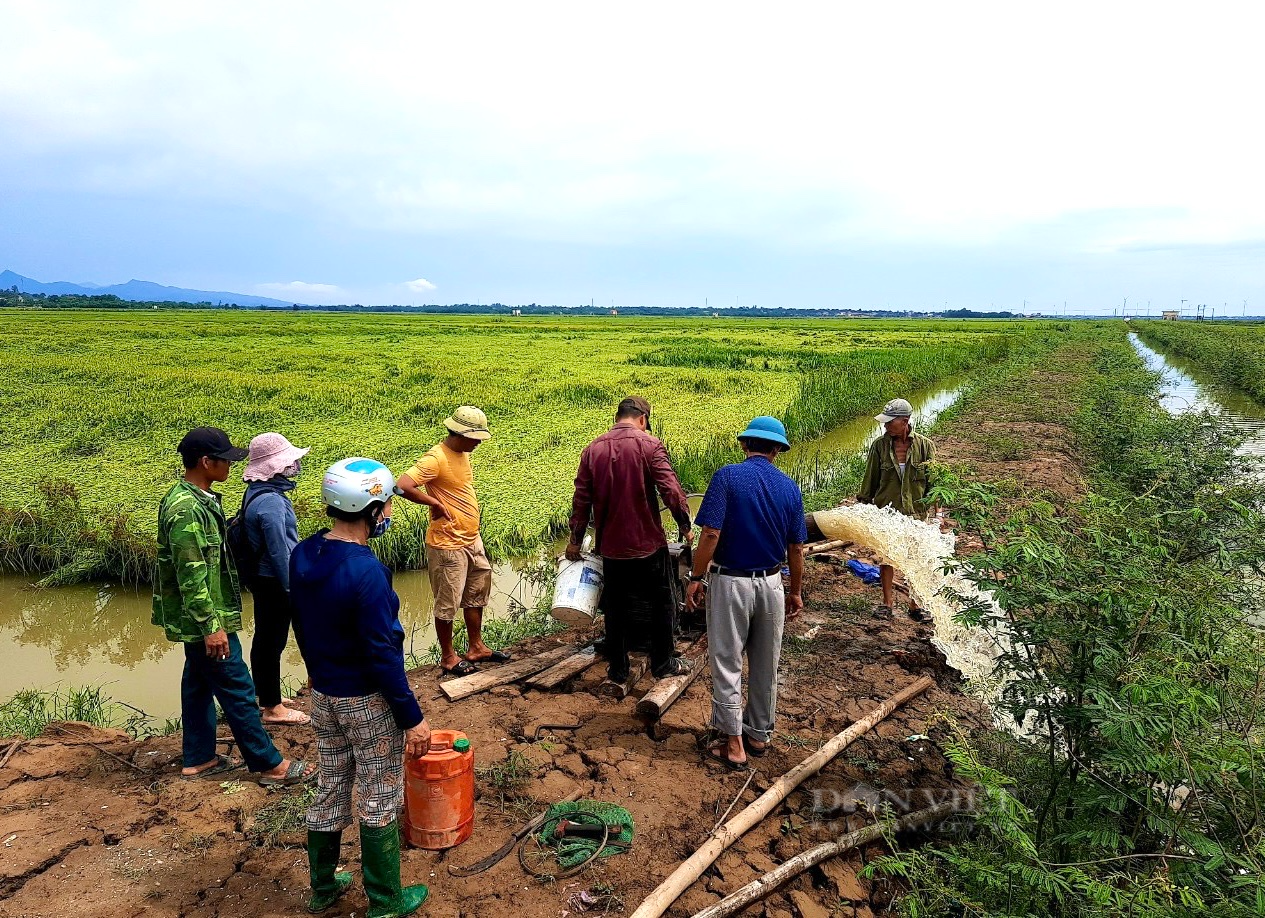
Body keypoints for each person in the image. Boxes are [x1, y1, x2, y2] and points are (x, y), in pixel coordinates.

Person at [290, 457, 433, 917]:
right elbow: (382, 655)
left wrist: (315, 669)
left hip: (324, 695)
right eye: (386, 502)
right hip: (365, 702)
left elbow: (304, 622)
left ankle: (324, 887)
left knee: (331, 781)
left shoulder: (304, 553)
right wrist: (413, 718)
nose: (390, 510)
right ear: (372, 507)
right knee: (379, 792)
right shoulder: (366, 571)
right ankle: (386, 903)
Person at [152, 427, 313, 785]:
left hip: (208, 614)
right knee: (239, 687)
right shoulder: (186, 510)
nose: (230, 465)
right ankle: (270, 764)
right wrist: (211, 626)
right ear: (206, 462)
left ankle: (199, 758)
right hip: (206, 618)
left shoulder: (199, 498)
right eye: (224, 459)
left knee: (197, 684)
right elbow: (190, 573)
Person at [686, 416, 805, 769]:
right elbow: (796, 549)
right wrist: (795, 591)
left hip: (731, 582)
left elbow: (710, 534)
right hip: (771, 584)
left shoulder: (727, 477)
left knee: (727, 659)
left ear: (744, 445)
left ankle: (733, 741)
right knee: (767, 662)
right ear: (777, 451)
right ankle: (758, 734)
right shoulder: (789, 488)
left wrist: (695, 576)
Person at [567, 396, 693, 682]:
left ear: (618, 416)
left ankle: (619, 668)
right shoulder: (650, 445)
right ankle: (663, 663)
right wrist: (684, 524)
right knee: (661, 602)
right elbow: (670, 490)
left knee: (615, 606)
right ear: (643, 419)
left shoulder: (592, 450)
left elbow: (581, 501)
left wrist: (575, 540)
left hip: (611, 546)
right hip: (648, 542)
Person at [395, 406, 507, 676]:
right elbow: (402, 485)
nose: (479, 442)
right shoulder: (436, 458)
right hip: (447, 544)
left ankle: (476, 647)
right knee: (447, 603)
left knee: (476, 594)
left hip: (471, 538)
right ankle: (448, 656)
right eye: (476, 437)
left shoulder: (461, 454)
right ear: (460, 433)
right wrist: (433, 502)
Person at [241, 432, 311, 726]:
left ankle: (267, 696)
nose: (294, 467)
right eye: (290, 462)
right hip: (274, 581)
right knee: (272, 641)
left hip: (262, 578)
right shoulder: (271, 502)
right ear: (275, 468)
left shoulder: (257, 493)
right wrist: (291, 587)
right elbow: (279, 551)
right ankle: (272, 708)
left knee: (266, 639)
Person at [856, 398, 936, 622]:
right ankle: (887, 603)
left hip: (916, 514)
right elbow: (870, 479)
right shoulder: (879, 447)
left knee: (916, 559)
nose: (886, 426)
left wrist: (937, 514)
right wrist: (864, 506)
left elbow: (933, 483)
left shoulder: (925, 447)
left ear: (905, 421)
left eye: (890, 422)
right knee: (887, 557)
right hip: (887, 513)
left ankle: (915, 605)